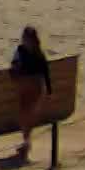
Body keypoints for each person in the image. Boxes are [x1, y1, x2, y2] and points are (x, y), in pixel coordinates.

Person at [11, 26, 53, 158]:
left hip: (35, 86)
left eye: (26, 38)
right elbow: (14, 64)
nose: (24, 40)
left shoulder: (38, 53)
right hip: (24, 85)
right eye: (24, 38)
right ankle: (26, 141)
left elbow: (45, 72)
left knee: (29, 115)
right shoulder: (20, 50)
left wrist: (48, 90)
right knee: (22, 114)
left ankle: (26, 142)